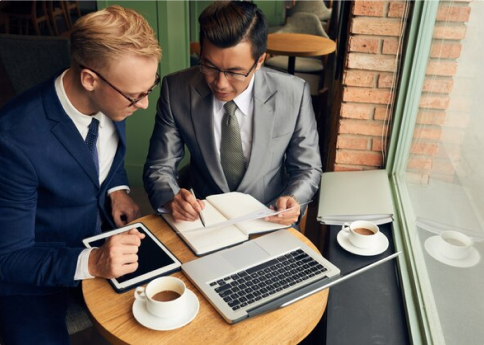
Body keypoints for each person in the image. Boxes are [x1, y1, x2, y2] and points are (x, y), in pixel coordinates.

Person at [0, 6, 161, 344]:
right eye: (136, 95)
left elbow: (103, 158)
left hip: (103, 238)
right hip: (33, 274)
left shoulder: (113, 95)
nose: (144, 104)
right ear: (90, 79)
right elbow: (10, 257)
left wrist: (116, 188)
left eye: (150, 88)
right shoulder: (13, 140)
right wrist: (94, 261)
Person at [144, 0, 322, 226]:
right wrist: (171, 198)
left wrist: (295, 199)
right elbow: (159, 167)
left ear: (259, 61)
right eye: (209, 66)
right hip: (203, 219)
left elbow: (308, 168)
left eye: (234, 72)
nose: (220, 83)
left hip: (268, 217)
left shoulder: (294, 94)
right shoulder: (177, 89)